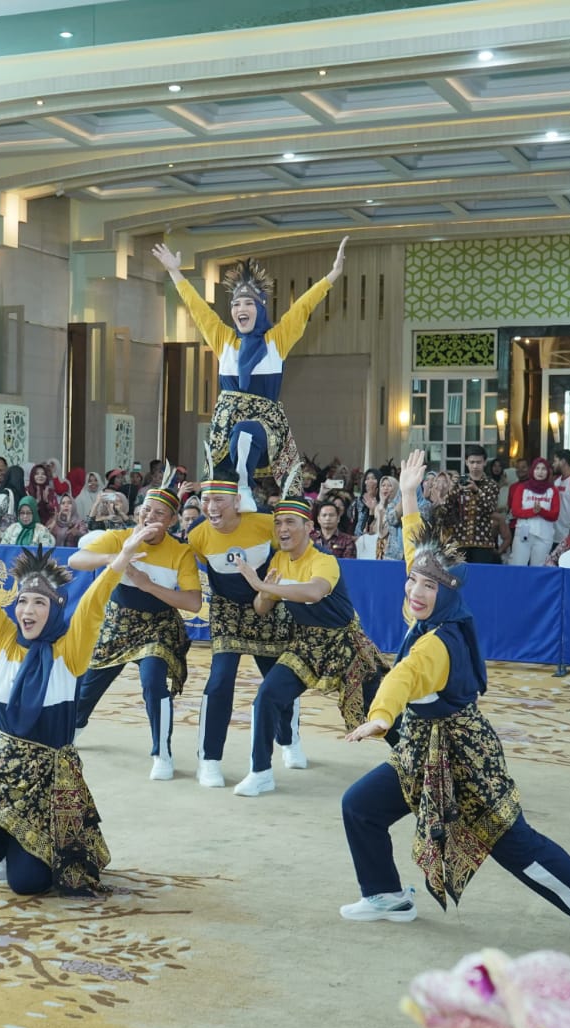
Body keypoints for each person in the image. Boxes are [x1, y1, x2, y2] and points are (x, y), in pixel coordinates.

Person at [336, 449, 570, 960]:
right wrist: (409, 496)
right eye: (413, 580)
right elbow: (416, 547)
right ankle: (386, 895)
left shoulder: (437, 644)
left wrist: (380, 717)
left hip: (463, 756)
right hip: (421, 747)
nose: (413, 589)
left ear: (446, 593)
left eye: (427, 586)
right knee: (361, 806)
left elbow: (404, 677)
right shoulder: (435, 605)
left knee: (516, 847)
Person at [0, 505, 152, 896]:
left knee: (29, 885)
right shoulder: (3, 639)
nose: (27, 609)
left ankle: (41, 850)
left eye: (39, 602)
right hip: (1, 772)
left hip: (51, 783)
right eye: (22, 601)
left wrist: (119, 561)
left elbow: (93, 604)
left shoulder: (70, 650)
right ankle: (5, 849)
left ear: (54, 609)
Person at [153, 237, 347, 509]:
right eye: (235, 305)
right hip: (225, 425)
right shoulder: (224, 341)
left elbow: (303, 307)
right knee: (220, 473)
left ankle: (244, 488)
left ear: (261, 308)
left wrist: (332, 275)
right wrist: (174, 271)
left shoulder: (276, 341)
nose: (240, 309)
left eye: (248, 304)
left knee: (244, 432)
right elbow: (197, 309)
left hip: (265, 426)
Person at [230, 494, 384, 797]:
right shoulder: (278, 560)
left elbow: (315, 592)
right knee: (267, 697)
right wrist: (266, 591)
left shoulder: (324, 560)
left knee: (380, 712)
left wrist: (261, 585)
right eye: (278, 523)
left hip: (346, 647)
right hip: (306, 644)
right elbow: (262, 608)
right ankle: (260, 773)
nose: (282, 529)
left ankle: (418, 767)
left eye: (289, 522)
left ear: (308, 527)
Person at [70, 487, 201, 780]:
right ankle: (72, 730)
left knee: (153, 682)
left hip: (159, 626)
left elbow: (193, 602)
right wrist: (115, 558)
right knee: (89, 681)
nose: (149, 516)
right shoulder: (120, 537)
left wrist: (148, 584)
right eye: (145, 510)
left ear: (171, 521)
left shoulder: (180, 551)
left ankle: (162, 753)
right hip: (118, 622)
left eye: (158, 513)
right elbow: (75, 560)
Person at [184, 478, 295, 788]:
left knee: (279, 682)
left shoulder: (264, 524)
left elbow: (290, 549)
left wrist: (273, 591)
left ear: (237, 501)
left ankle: (289, 739)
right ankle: (209, 759)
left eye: (219, 499)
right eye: (206, 499)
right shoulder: (197, 535)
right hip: (227, 611)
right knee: (219, 680)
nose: (210, 506)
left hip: (268, 604)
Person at [438, 444, 501, 565]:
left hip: (483, 542)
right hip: (458, 540)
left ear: (485, 462)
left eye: (478, 462)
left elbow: (490, 508)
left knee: (481, 577)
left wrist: (476, 490)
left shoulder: (491, 484)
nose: (475, 466)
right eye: (472, 462)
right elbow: (446, 508)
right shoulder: (458, 482)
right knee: (457, 577)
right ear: (466, 462)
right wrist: (450, 491)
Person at [507, 458, 559, 566]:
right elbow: (516, 511)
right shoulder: (522, 488)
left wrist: (541, 511)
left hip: (544, 535)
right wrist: (533, 512)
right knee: (518, 564)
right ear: (532, 470)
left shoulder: (552, 490)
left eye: (544, 469)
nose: (540, 472)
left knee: (538, 567)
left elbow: (555, 515)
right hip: (524, 533)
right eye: (537, 468)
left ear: (548, 472)